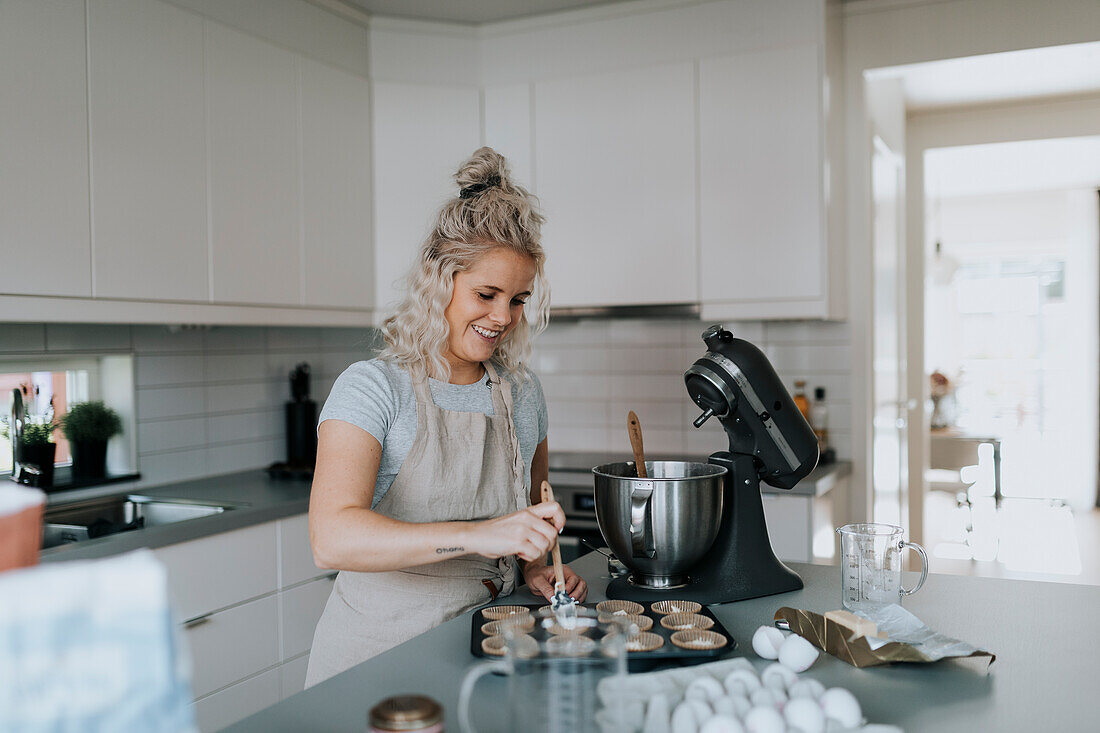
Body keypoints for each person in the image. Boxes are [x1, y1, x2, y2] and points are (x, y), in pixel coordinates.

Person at [304, 147, 588, 686]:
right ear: (440, 279)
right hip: (379, 663)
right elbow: (332, 538)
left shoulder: (523, 394)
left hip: (495, 651)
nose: (503, 317)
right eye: (486, 293)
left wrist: (536, 566)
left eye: (519, 299)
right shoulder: (372, 389)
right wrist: (480, 535)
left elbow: (531, 515)